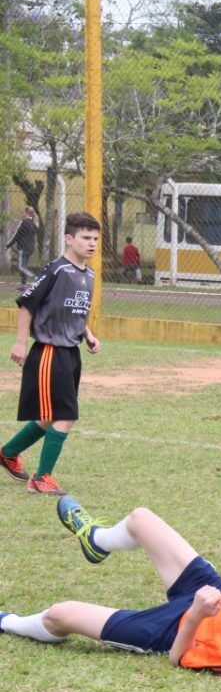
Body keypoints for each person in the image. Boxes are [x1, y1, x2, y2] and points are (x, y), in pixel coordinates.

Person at [0, 497, 221, 686]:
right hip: (218, 593)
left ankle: (10, 622)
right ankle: (96, 540)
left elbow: (177, 658)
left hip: (171, 628)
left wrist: (195, 615)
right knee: (141, 518)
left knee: (62, 614)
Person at [0, 212, 102, 495]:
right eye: (85, 238)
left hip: (71, 353)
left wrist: (88, 333)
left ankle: (7, 453)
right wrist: (20, 343)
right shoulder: (56, 269)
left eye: (95, 238)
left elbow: (76, 310)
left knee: (50, 415)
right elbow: (27, 305)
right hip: (49, 351)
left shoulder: (89, 274)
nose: (91, 243)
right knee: (66, 414)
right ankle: (41, 478)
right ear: (69, 239)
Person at [7, 206, 38, 282]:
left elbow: (16, 235)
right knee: (24, 265)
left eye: (23, 212)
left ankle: (34, 277)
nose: (21, 213)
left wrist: (8, 245)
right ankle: (23, 281)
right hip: (31, 248)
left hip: (23, 248)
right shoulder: (33, 223)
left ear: (27, 213)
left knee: (21, 266)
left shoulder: (23, 223)